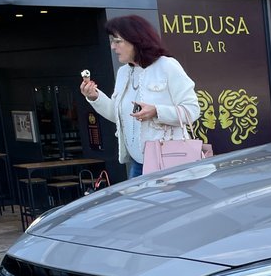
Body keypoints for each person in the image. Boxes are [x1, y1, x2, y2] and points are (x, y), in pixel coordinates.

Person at [79, 15, 199, 179]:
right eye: (112, 41)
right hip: (137, 164)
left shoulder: (167, 66)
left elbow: (191, 111)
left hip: (169, 164)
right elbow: (118, 116)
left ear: (136, 40)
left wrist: (156, 111)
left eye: (117, 41)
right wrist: (94, 97)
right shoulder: (123, 73)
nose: (113, 47)